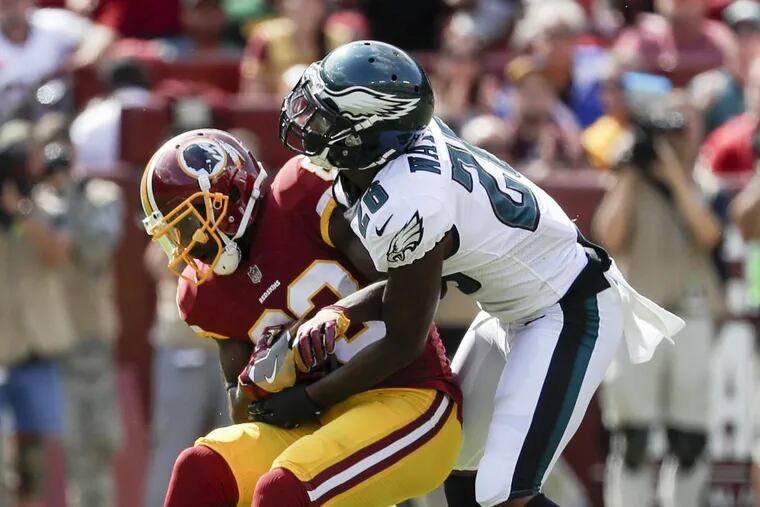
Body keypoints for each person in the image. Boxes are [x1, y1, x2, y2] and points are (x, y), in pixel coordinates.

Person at [276, 40, 683, 507]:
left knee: (503, 493)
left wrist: (312, 399)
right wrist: (340, 313)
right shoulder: (396, 155)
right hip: (510, 308)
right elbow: (414, 283)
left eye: (325, 115)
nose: (306, 119)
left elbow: (405, 338)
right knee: (455, 462)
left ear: (369, 133)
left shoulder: (411, 199)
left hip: (568, 308)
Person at [140, 129, 463, 506]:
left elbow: (414, 284)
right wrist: (259, 377)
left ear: (230, 197)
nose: (186, 247)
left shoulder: (299, 196)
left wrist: (334, 323)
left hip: (408, 397)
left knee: (283, 489)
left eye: (189, 226)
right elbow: (244, 412)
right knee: (200, 469)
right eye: (175, 235)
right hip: (315, 421)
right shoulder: (205, 294)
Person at [592, 92, 724, 507]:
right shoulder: (631, 179)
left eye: (686, 126)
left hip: (692, 314)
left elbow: (709, 234)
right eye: (670, 125)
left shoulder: (707, 183)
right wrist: (631, 170)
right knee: (631, 438)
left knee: (689, 439)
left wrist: (675, 177)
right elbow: (608, 236)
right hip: (639, 316)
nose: (678, 137)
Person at [0, 120, 74, 507]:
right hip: (3, 347)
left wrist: (20, 215)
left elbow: (57, 254)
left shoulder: (48, 206)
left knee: (35, 459)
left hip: (37, 349)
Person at [142, 241, 229, 507]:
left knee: (237, 454)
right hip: (183, 346)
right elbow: (157, 262)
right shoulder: (181, 218)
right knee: (172, 452)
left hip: (234, 346)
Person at [0, 0, 115, 123]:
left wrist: (81, 58)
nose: (10, 9)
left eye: (13, 2)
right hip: (14, 119)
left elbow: (99, 35)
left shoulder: (53, 23)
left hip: (65, 110)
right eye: (4, 4)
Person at [613, 0, 735, 87]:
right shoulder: (642, 35)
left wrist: (669, 64)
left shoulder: (720, 37)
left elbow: (734, 64)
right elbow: (616, 67)